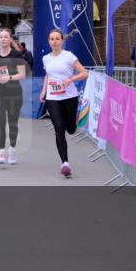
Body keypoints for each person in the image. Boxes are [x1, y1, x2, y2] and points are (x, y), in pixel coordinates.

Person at [40, 29, 88, 178]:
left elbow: (84, 73)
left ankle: (72, 124)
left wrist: (71, 79)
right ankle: (65, 163)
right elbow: (48, 75)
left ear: (62, 41)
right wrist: (43, 91)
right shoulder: (46, 58)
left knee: (71, 129)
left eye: (57, 39)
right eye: (51, 39)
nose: (54, 41)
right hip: (52, 97)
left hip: (69, 97)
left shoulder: (69, 56)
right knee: (59, 128)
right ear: (48, 41)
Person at [0, 28, 27, 166]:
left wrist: (9, 77)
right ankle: (1, 152)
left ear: (11, 39)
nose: (3, 39)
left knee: (12, 122)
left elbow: (22, 75)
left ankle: (12, 149)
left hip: (14, 93)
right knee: (0, 121)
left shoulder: (17, 55)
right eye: (1, 37)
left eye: (6, 37)